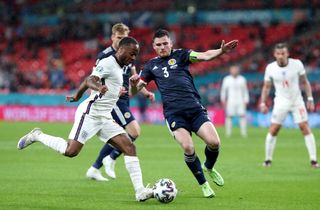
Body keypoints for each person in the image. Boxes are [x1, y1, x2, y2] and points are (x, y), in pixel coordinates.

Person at [17, 37, 154, 201]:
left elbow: (129, 93)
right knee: (71, 151)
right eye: (132, 54)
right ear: (121, 49)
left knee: (129, 147)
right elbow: (90, 79)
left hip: (105, 117)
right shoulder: (108, 62)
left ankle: (140, 191)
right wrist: (98, 87)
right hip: (90, 113)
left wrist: (77, 95)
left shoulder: (121, 68)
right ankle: (37, 135)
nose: (133, 58)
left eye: (136, 55)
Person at [130, 29, 238, 198]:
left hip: (195, 109)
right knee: (188, 147)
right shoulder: (151, 66)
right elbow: (135, 90)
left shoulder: (182, 55)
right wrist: (134, 84)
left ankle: (208, 167)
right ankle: (203, 184)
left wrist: (221, 51)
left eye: (165, 43)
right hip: (174, 115)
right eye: (158, 45)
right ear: (153, 46)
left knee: (214, 142)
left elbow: (204, 55)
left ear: (171, 43)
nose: (162, 47)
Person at [66, 23, 154, 181]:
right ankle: (110, 158)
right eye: (119, 38)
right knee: (134, 131)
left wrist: (145, 92)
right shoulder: (105, 56)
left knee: (124, 136)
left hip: (124, 97)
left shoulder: (129, 53)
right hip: (113, 100)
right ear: (113, 37)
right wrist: (98, 94)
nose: (122, 41)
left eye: (124, 38)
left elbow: (134, 78)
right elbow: (94, 77)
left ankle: (96, 167)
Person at [259, 42, 319, 168]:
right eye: (278, 53)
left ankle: (314, 160)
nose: (281, 56)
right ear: (275, 54)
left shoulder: (297, 64)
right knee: (274, 129)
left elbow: (305, 81)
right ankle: (267, 159)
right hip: (280, 102)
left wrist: (310, 98)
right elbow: (266, 87)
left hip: (297, 101)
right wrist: (263, 103)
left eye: (283, 53)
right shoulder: (270, 68)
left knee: (304, 127)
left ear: (287, 54)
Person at [220, 65, 249, 138]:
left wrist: (246, 99)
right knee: (229, 116)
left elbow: (245, 90)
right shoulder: (227, 79)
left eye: (235, 70)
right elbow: (223, 90)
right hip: (230, 101)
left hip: (240, 101)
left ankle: (244, 133)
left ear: (238, 70)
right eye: (232, 70)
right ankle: (228, 133)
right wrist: (223, 99)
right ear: (230, 71)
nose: (234, 71)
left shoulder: (242, 79)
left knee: (242, 116)